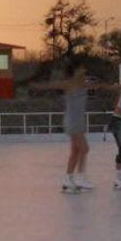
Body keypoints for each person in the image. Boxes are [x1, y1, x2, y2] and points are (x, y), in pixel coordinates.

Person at [33, 60, 94, 192]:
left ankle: (68, 179)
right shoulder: (68, 84)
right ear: (76, 70)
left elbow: (101, 86)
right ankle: (80, 177)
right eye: (82, 68)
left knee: (76, 151)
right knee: (84, 148)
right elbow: (51, 85)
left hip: (79, 121)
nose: (84, 71)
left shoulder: (85, 84)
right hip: (72, 121)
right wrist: (36, 85)